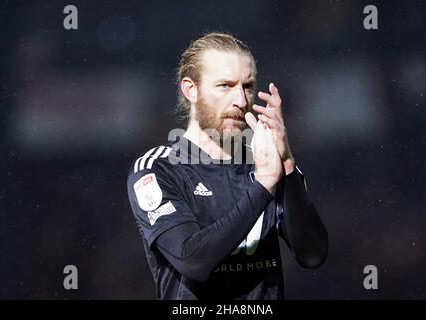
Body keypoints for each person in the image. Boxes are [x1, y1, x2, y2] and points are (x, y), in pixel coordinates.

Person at [127, 32, 328, 300]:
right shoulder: (158, 169)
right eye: (225, 86)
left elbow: (312, 254)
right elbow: (194, 261)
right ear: (191, 89)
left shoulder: (265, 163)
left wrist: (287, 163)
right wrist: (263, 186)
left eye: (247, 86)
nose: (241, 101)